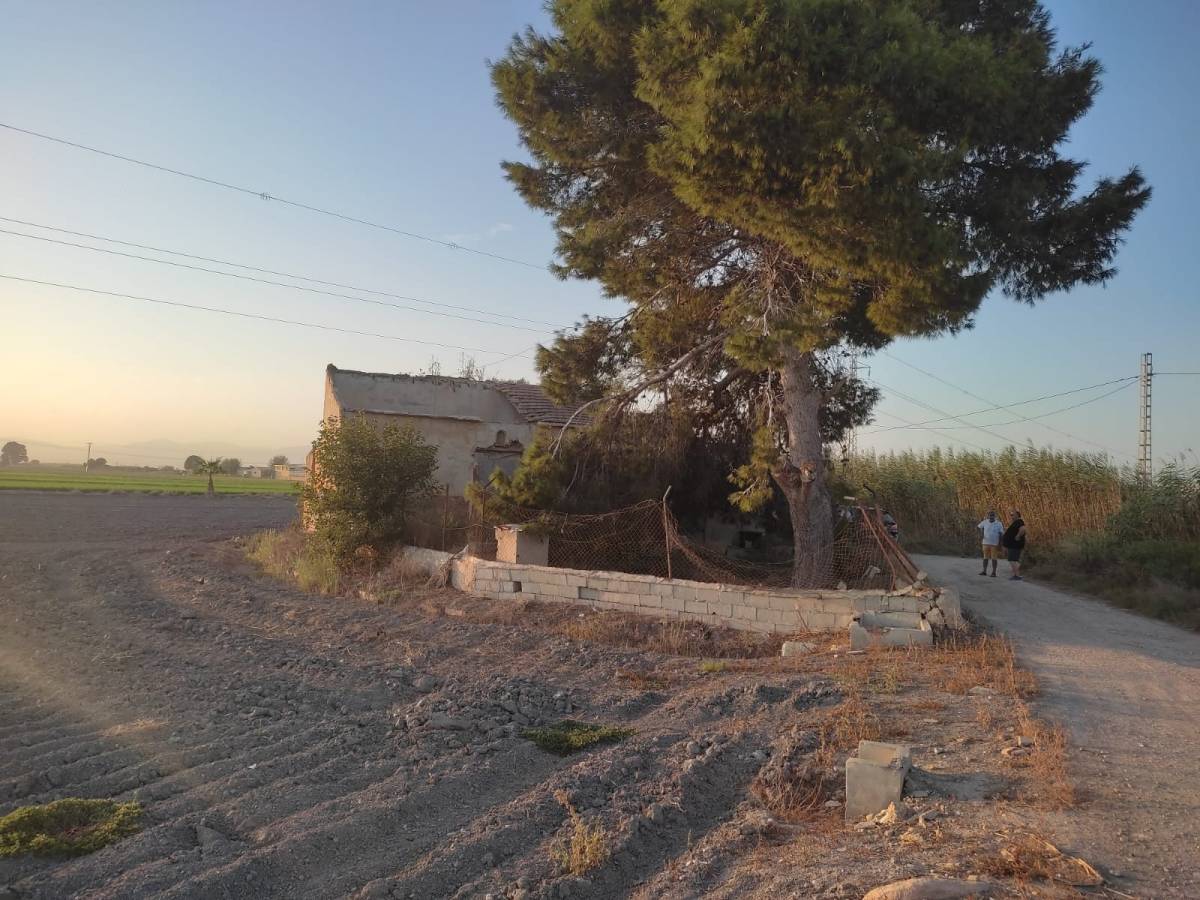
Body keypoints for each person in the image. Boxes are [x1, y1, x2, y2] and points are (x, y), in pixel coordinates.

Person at [977, 508, 1004, 577]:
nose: (991, 516)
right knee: (985, 558)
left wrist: (1000, 544)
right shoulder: (985, 522)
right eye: (990, 515)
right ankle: (984, 571)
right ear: (988, 516)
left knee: (994, 559)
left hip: (994, 544)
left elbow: (1001, 534)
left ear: (995, 516)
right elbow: (979, 527)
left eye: (992, 515)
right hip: (985, 543)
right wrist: (981, 534)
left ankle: (994, 572)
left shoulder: (999, 523)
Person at [1002, 509, 1027, 580]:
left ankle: (1017, 575)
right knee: (1014, 559)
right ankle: (1017, 574)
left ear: (1017, 515)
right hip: (1013, 544)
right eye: (1011, 515)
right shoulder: (1016, 522)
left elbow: (1023, 529)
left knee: (1012, 559)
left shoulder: (1019, 521)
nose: (1011, 516)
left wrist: (1018, 536)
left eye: (1013, 515)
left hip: (1014, 545)